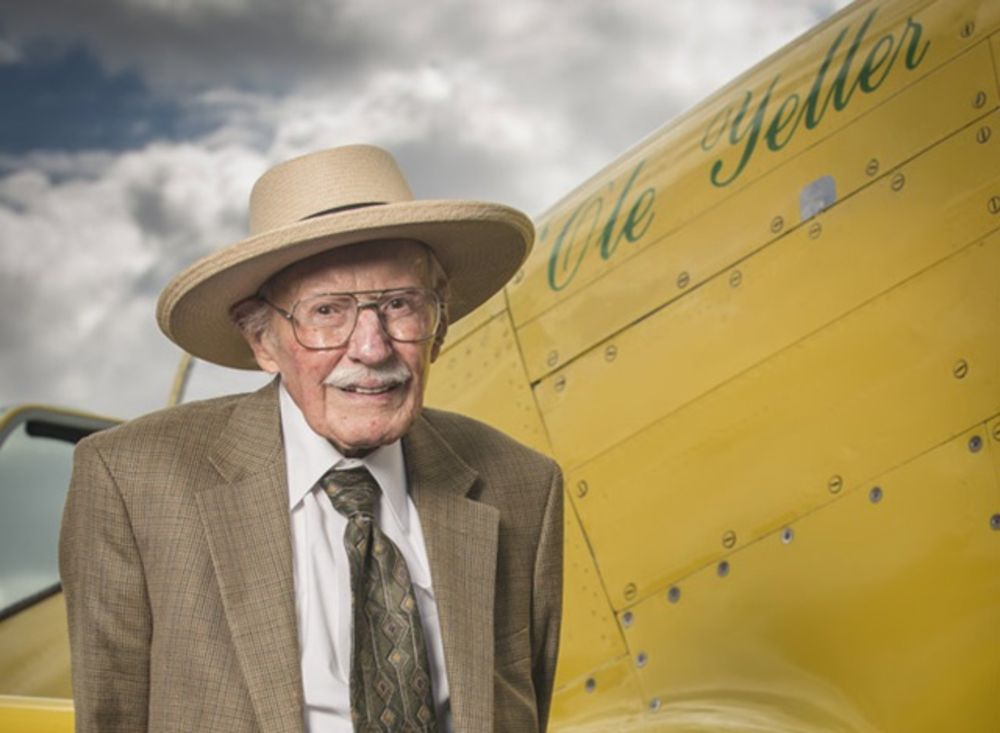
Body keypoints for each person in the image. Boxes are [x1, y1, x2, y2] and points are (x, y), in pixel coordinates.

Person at [60, 144, 563, 733]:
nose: (371, 348)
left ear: (439, 323)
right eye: (327, 312)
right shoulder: (131, 482)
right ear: (262, 341)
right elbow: (109, 718)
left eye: (399, 305)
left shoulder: (523, 486)